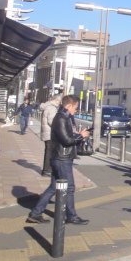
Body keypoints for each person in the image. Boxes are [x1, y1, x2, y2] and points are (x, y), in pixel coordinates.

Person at [27, 95, 90, 225]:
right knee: (69, 187)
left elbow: (66, 136)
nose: (76, 110)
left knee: (53, 187)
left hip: (59, 156)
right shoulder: (61, 118)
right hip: (62, 158)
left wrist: (78, 135)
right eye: (75, 108)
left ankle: (36, 213)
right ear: (69, 106)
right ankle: (71, 216)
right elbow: (66, 140)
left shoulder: (64, 117)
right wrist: (80, 136)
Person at [39, 94, 62, 176]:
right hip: (50, 133)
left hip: (46, 132)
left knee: (48, 151)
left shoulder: (47, 106)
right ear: (56, 100)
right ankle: (47, 170)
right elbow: (51, 121)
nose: (60, 103)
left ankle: (46, 169)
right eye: (59, 101)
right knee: (50, 152)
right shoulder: (52, 108)